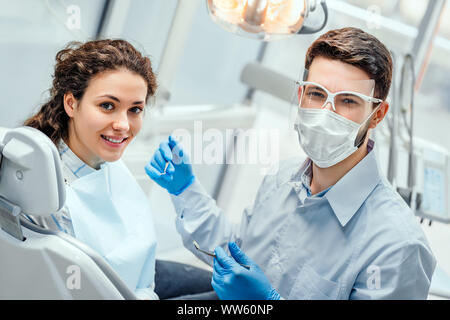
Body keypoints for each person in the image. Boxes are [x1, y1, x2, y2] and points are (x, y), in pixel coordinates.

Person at [146, 27, 436, 300]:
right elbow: (236, 254)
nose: (325, 114)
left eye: (347, 101)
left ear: (377, 114)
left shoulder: (398, 247)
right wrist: (186, 191)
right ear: (301, 95)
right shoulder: (282, 177)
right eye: (316, 94)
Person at [22, 39, 214, 300]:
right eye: (107, 106)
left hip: (129, 272)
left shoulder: (97, 156)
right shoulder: (51, 198)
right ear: (71, 104)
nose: (123, 124)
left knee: (221, 287)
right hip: (104, 288)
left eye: (135, 109)